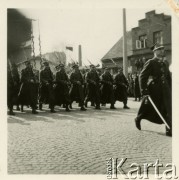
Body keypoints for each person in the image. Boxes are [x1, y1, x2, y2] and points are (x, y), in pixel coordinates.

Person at [135, 43, 172, 136]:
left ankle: (169, 129)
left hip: (165, 89)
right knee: (148, 107)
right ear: (154, 51)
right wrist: (144, 90)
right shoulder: (151, 62)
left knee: (168, 108)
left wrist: (171, 88)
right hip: (155, 88)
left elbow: (168, 77)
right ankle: (139, 118)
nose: (162, 51)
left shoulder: (165, 63)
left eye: (162, 49)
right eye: (159, 49)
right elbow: (142, 77)